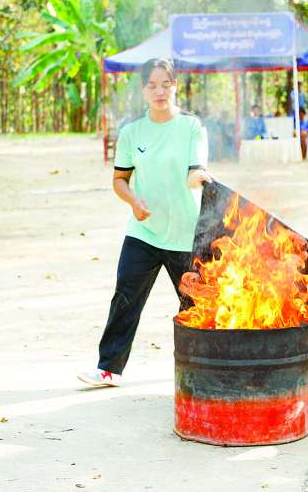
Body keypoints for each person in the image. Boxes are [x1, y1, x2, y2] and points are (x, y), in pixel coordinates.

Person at [78, 58, 211, 387]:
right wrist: (133, 201)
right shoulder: (131, 132)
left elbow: (195, 170)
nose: (159, 91)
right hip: (143, 231)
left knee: (198, 305)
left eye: (166, 84)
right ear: (143, 90)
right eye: (152, 85)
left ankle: (210, 371)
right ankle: (109, 368)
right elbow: (119, 180)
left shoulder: (191, 127)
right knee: (125, 296)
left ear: (175, 86)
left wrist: (198, 178)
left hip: (185, 234)